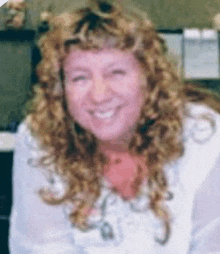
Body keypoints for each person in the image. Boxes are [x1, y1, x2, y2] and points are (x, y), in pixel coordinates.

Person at [9, 0, 220, 253]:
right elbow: (41, 247)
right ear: (60, 89)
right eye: (80, 77)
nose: (99, 95)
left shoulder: (201, 136)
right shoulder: (41, 140)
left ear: (149, 78)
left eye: (116, 72)